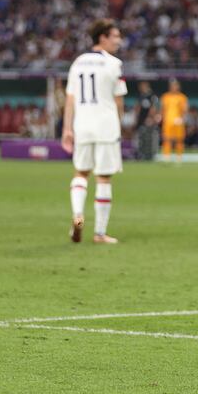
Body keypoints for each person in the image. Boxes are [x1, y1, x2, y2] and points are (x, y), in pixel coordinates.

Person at [61, 19, 128, 244]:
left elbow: (70, 99)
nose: (119, 41)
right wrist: (118, 123)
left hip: (82, 125)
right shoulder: (114, 64)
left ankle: (78, 215)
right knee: (103, 177)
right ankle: (99, 233)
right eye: (115, 36)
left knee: (80, 173)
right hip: (106, 125)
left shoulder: (78, 63)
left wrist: (67, 129)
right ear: (103, 37)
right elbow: (119, 102)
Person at [160, 78, 188, 162]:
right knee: (167, 139)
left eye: (175, 85)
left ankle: (179, 156)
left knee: (179, 139)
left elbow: (185, 110)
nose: (174, 87)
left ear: (178, 87)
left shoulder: (182, 97)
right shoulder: (165, 97)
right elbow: (162, 109)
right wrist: (162, 118)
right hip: (168, 121)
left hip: (178, 121)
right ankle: (166, 156)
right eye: (172, 86)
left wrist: (182, 119)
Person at [135, 81, 159, 160]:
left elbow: (153, 108)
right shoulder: (141, 96)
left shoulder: (152, 96)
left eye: (142, 86)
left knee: (149, 138)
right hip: (141, 121)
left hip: (148, 121)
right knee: (141, 139)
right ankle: (142, 155)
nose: (140, 88)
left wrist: (150, 118)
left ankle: (150, 155)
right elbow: (138, 108)